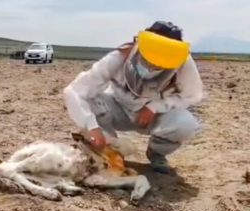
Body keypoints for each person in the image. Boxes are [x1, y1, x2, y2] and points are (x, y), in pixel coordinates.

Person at [63, 21, 203, 176]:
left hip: (155, 117)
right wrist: (92, 127)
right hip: (118, 109)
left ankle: (156, 153)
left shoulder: (181, 60)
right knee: (91, 103)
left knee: (185, 123)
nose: (154, 65)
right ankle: (109, 152)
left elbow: (192, 94)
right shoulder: (119, 56)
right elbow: (76, 90)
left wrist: (155, 107)